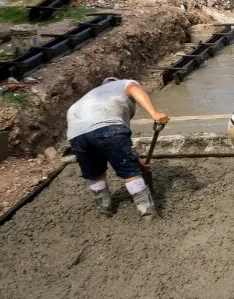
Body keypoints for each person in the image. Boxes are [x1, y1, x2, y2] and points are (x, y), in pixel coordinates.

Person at [66, 78, 169, 218]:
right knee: (130, 173)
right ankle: (148, 214)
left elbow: (121, 147)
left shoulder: (93, 95)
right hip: (106, 126)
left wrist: (138, 162)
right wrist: (154, 113)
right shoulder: (124, 84)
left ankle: (104, 209)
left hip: (75, 133)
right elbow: (134, 88)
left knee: (95, 174)